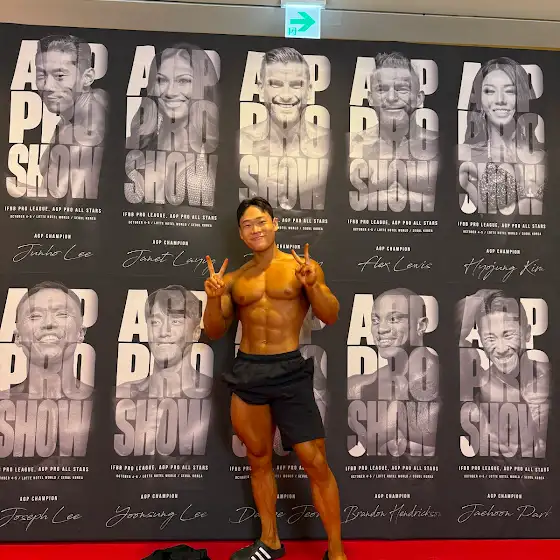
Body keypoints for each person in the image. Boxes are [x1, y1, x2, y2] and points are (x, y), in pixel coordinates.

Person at [203, 196, 346, 560]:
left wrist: (313, 286)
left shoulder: (302, 268)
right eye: (247, 225)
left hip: (289, 370)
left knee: (315, 462)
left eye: (261, 221)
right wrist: (214, 298)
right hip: (248, 370)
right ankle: (270, 541)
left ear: (275, 223)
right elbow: (215, 330)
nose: (255, 229)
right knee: (258, 459)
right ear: (240, 234)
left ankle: (336, 552)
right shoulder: (235, 279)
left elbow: (330, 315)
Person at [125, 42, 219, 209]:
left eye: (183, 80)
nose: (170, 92)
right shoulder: (134, 145)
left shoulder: (219, 150)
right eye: (162, 80)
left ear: (203, 86)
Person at [347, 288, 439, 457]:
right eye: (375, 320)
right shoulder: (357, 388)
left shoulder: (450, 381)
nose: (381, 329)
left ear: (421, 325)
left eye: (394, 319)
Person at [238, 47, 331, 211]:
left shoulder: (331, 144)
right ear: (261, 89)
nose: (286, 95)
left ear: (309, 90)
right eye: (276, 84)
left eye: (296, 85)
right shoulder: (239, 143)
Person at [349, 52, 439, 210]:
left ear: (419, 98)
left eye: (402, 89)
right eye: (381, 89)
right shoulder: (351, 145)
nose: (391, 97)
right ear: (370, 98)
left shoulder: (440, 146)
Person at [458, 58, 546, 216]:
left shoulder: (544, 158)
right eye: (489, 91)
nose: (500, 100)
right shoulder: (463, 156)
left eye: (510, 91)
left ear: (522, 97)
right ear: (479, 101)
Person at [34, 34, 108, 203]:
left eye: (60, 76)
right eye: (41, 75)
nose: (47, 86)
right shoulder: (90, 101)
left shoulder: (85, 135)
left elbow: (60, 208)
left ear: (87, 77)